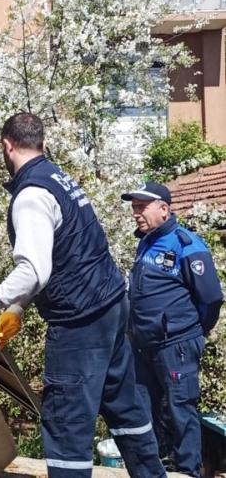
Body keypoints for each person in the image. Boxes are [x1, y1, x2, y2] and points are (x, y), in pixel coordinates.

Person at [0, 112, 166, 478]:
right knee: (125, 406)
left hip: (80, 322)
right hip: (110, 306)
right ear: (41, 143)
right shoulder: (59, 178)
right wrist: (18, 305)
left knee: (67, 421)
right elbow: (65, 252)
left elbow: (34, 270)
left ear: (7, 146)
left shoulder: (31, 195)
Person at [122, 182, 223, 477]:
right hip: (144, 346)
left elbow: (211, 299)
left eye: (142, 207)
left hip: (176, 345)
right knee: (145, 409)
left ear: (164, 209)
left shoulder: (186, 245)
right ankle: (153, 468)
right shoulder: (145, 243)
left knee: (181, 409)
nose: (136, 213)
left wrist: (192, 332)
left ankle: (188, 471)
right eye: (134, 207)